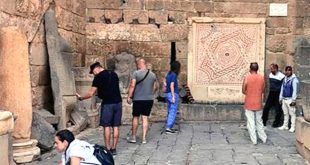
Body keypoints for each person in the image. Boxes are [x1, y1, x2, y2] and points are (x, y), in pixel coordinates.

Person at [76, 62, 122, 155]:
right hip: (118, 102)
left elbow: (90, 94)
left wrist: (81, 97)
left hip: (108, 103)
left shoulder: (98, 77)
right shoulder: (114, 74)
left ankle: (108, 148)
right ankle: (114, 148)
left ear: (96, 69)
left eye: (93, 72)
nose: (93, 74)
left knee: (107, 126)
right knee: (116, 126)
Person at [127, 58, 157, 144]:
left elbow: (132, 85)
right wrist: (150, 93)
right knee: (145, 118)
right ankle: (144, 138)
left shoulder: (136, 73)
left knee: (135, 117)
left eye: (137, 65)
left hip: (138, 99)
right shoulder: (152, 75)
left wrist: (129, 97)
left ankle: (133, 137)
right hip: (148, 99)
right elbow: (155, 87)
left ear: (139, 64)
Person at [242, 62, 267, 145]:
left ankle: (254, 140)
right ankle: (263, 138)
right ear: (257, 69)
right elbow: (263, 90)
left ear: (250, 69)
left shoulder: (247, 77)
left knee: (251, 122)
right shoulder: (261, 78)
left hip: (249, 102)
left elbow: (243, 90)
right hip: (258, 102)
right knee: (259, 121)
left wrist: (249, 93)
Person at [262, 63, 285, 128]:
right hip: (271, 93)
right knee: (266, 107)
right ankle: (263, 121)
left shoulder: (282, 76)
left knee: (278, 109)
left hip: (278, 93)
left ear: (276, 69)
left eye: (272, 69)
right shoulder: (270, 75)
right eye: (270, 69)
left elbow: (283, 86)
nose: (271, 70)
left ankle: (276, 123)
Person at [278, 66, 299, 132]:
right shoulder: (285, 79)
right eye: (286, 70)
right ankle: (285, 125)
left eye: (289, 70)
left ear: (291, 71)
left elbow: (295, 90)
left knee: (292, 113)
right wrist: (280, 98)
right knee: (285, 113)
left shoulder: (294, 79)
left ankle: (293, 127)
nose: (287, 72)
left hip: (290, 99)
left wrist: (293, 100)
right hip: (284, 99)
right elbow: (282, 88)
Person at [165, 61, 181, 134]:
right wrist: (173, 96)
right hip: (173, 93)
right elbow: (172, 85)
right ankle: (168, 127)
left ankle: (170, 126)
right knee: (173, 110)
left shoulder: (168, 74)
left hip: (167, 94)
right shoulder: (174, 75)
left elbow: (165, 84)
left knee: (169, 110)